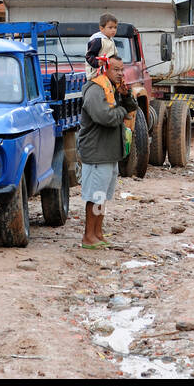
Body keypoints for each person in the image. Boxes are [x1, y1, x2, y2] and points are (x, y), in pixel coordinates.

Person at [78, 54, 138, 249]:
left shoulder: (113, 88)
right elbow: (106, 117)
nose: (121, 73)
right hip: (97, 152)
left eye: (122, 69)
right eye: (116, 70)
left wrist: (126, 95)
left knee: (102, 196)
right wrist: (122, 111)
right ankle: (89, 236)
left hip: (109, 152)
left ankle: (98, 233)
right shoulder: (95, 89)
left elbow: (132, 107)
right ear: (105, 69)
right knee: (95, 196)